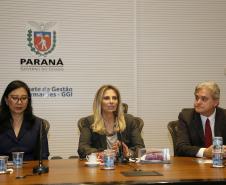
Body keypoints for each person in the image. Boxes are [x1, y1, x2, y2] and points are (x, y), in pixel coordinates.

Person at [77, 85, 145, 159]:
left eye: (115, 98)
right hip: (99, 168)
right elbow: (82, 148)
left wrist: (128, 152)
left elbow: (140, 148)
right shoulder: (89, 122)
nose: (111, 101)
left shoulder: (129, 121)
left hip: (124, 167)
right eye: (106, 98)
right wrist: (100, 154)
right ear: (99, 102)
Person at [0, 80, 49, 160]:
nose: (19, 102)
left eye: (24, 98)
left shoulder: (38, 124)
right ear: (6, 100)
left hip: (30, 171)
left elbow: (43, 157)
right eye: (15, 98)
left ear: (28, 101)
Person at [176, 81, 226, 158]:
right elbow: (181, 148)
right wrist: (205, 152)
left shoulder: (224, 116)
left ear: (215, 102)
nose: (198, 102)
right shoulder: (186, 117)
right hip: (194, 166)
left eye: (204, 99)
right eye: (197, 98)